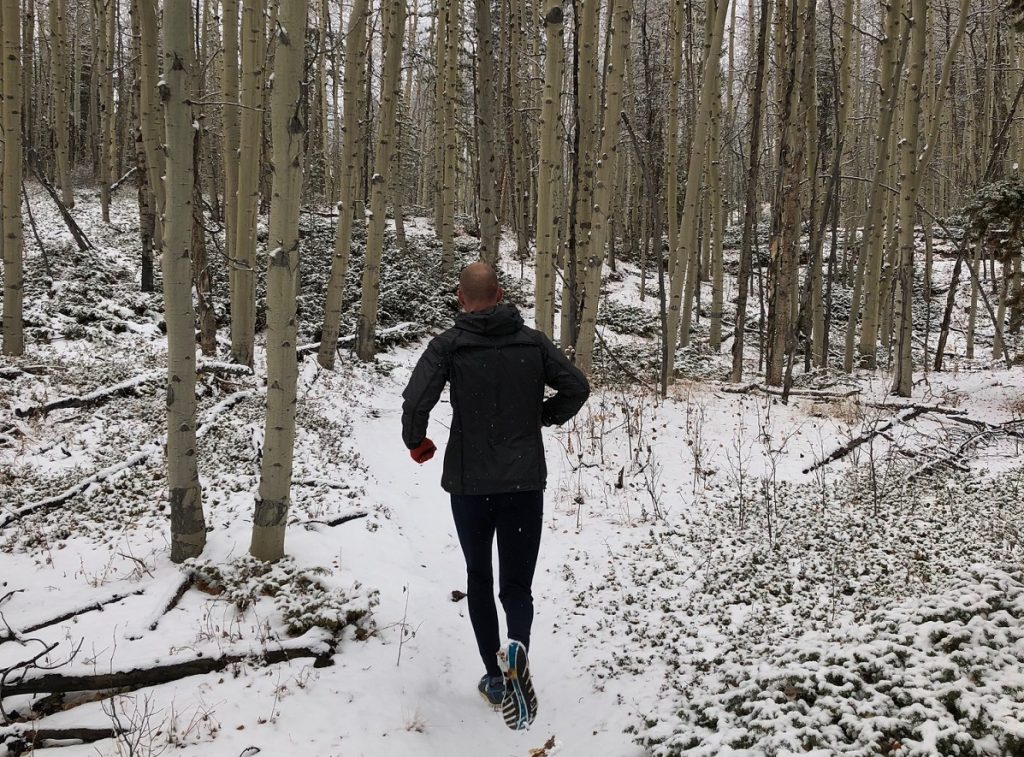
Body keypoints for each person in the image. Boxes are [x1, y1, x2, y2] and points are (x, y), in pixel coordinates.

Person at [401, 262, 590, 729]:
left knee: (479, 577)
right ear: (501, 294)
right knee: (517, 584)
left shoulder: (448, 345)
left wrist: (416, 442)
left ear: (461, 299)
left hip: (470, 486)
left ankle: (496, 676)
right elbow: (577, 388)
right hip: (524, 482)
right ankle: (518, 646)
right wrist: (541, 417)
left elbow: (415, 401)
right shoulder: (532, 342)